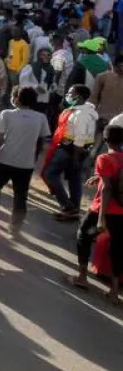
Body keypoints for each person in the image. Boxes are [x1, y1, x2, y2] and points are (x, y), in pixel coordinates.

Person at [72, 124, 123, 303]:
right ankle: (114, 292)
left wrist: (101, 218)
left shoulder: (104, 158)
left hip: (103, 209)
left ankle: (82, 277)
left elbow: (108, 188)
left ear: (105, 140)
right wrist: (98, 177)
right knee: (117, 250)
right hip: (121, 213)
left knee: (83, 236)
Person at [0, 86, 50, 230]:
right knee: (21, 195)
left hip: (4, 160)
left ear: (17, 99)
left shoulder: (7, 114)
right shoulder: (41, 118)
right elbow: (43, 142)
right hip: (26, 164)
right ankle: (16, 226)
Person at [42, 84, 97, 221]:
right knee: (74, 179)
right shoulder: (83, 111)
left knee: (50, 174)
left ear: (78, 96)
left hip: (70, 149)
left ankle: (68, 206)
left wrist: (76, 157)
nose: (68, 94)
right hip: (77, 149)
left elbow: (79, 137)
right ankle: (73, 210)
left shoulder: (81, 114)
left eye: (70, 92)